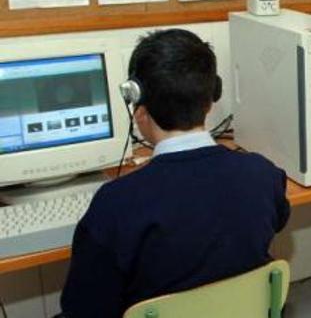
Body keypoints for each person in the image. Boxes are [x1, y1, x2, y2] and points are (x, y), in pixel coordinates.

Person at [60, 29, 290, 318]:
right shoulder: (263, 175)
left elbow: (82, 309)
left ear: (138, 105)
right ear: (211, 99)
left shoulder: (115, 205)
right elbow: (276, 219)